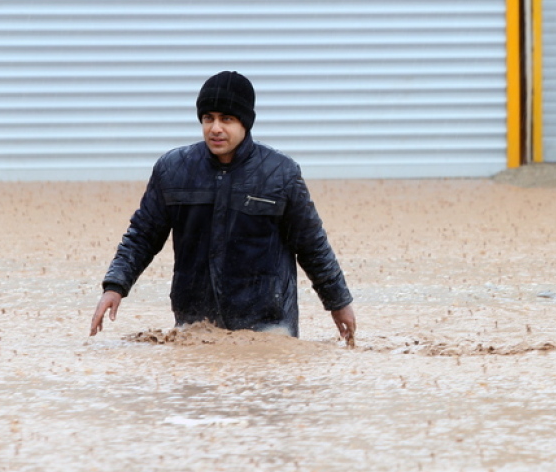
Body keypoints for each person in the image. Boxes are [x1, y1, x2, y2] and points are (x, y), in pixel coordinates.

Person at [89, 71, 356, 345]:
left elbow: (312, 245)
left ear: (246, 122)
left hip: (268, 326)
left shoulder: (280, 174)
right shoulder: (173, 170)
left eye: (226, 119)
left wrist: (338, 303)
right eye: (208, 118)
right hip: (195, 325)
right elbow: (143, 235)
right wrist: (115, 287)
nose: (215, 128)